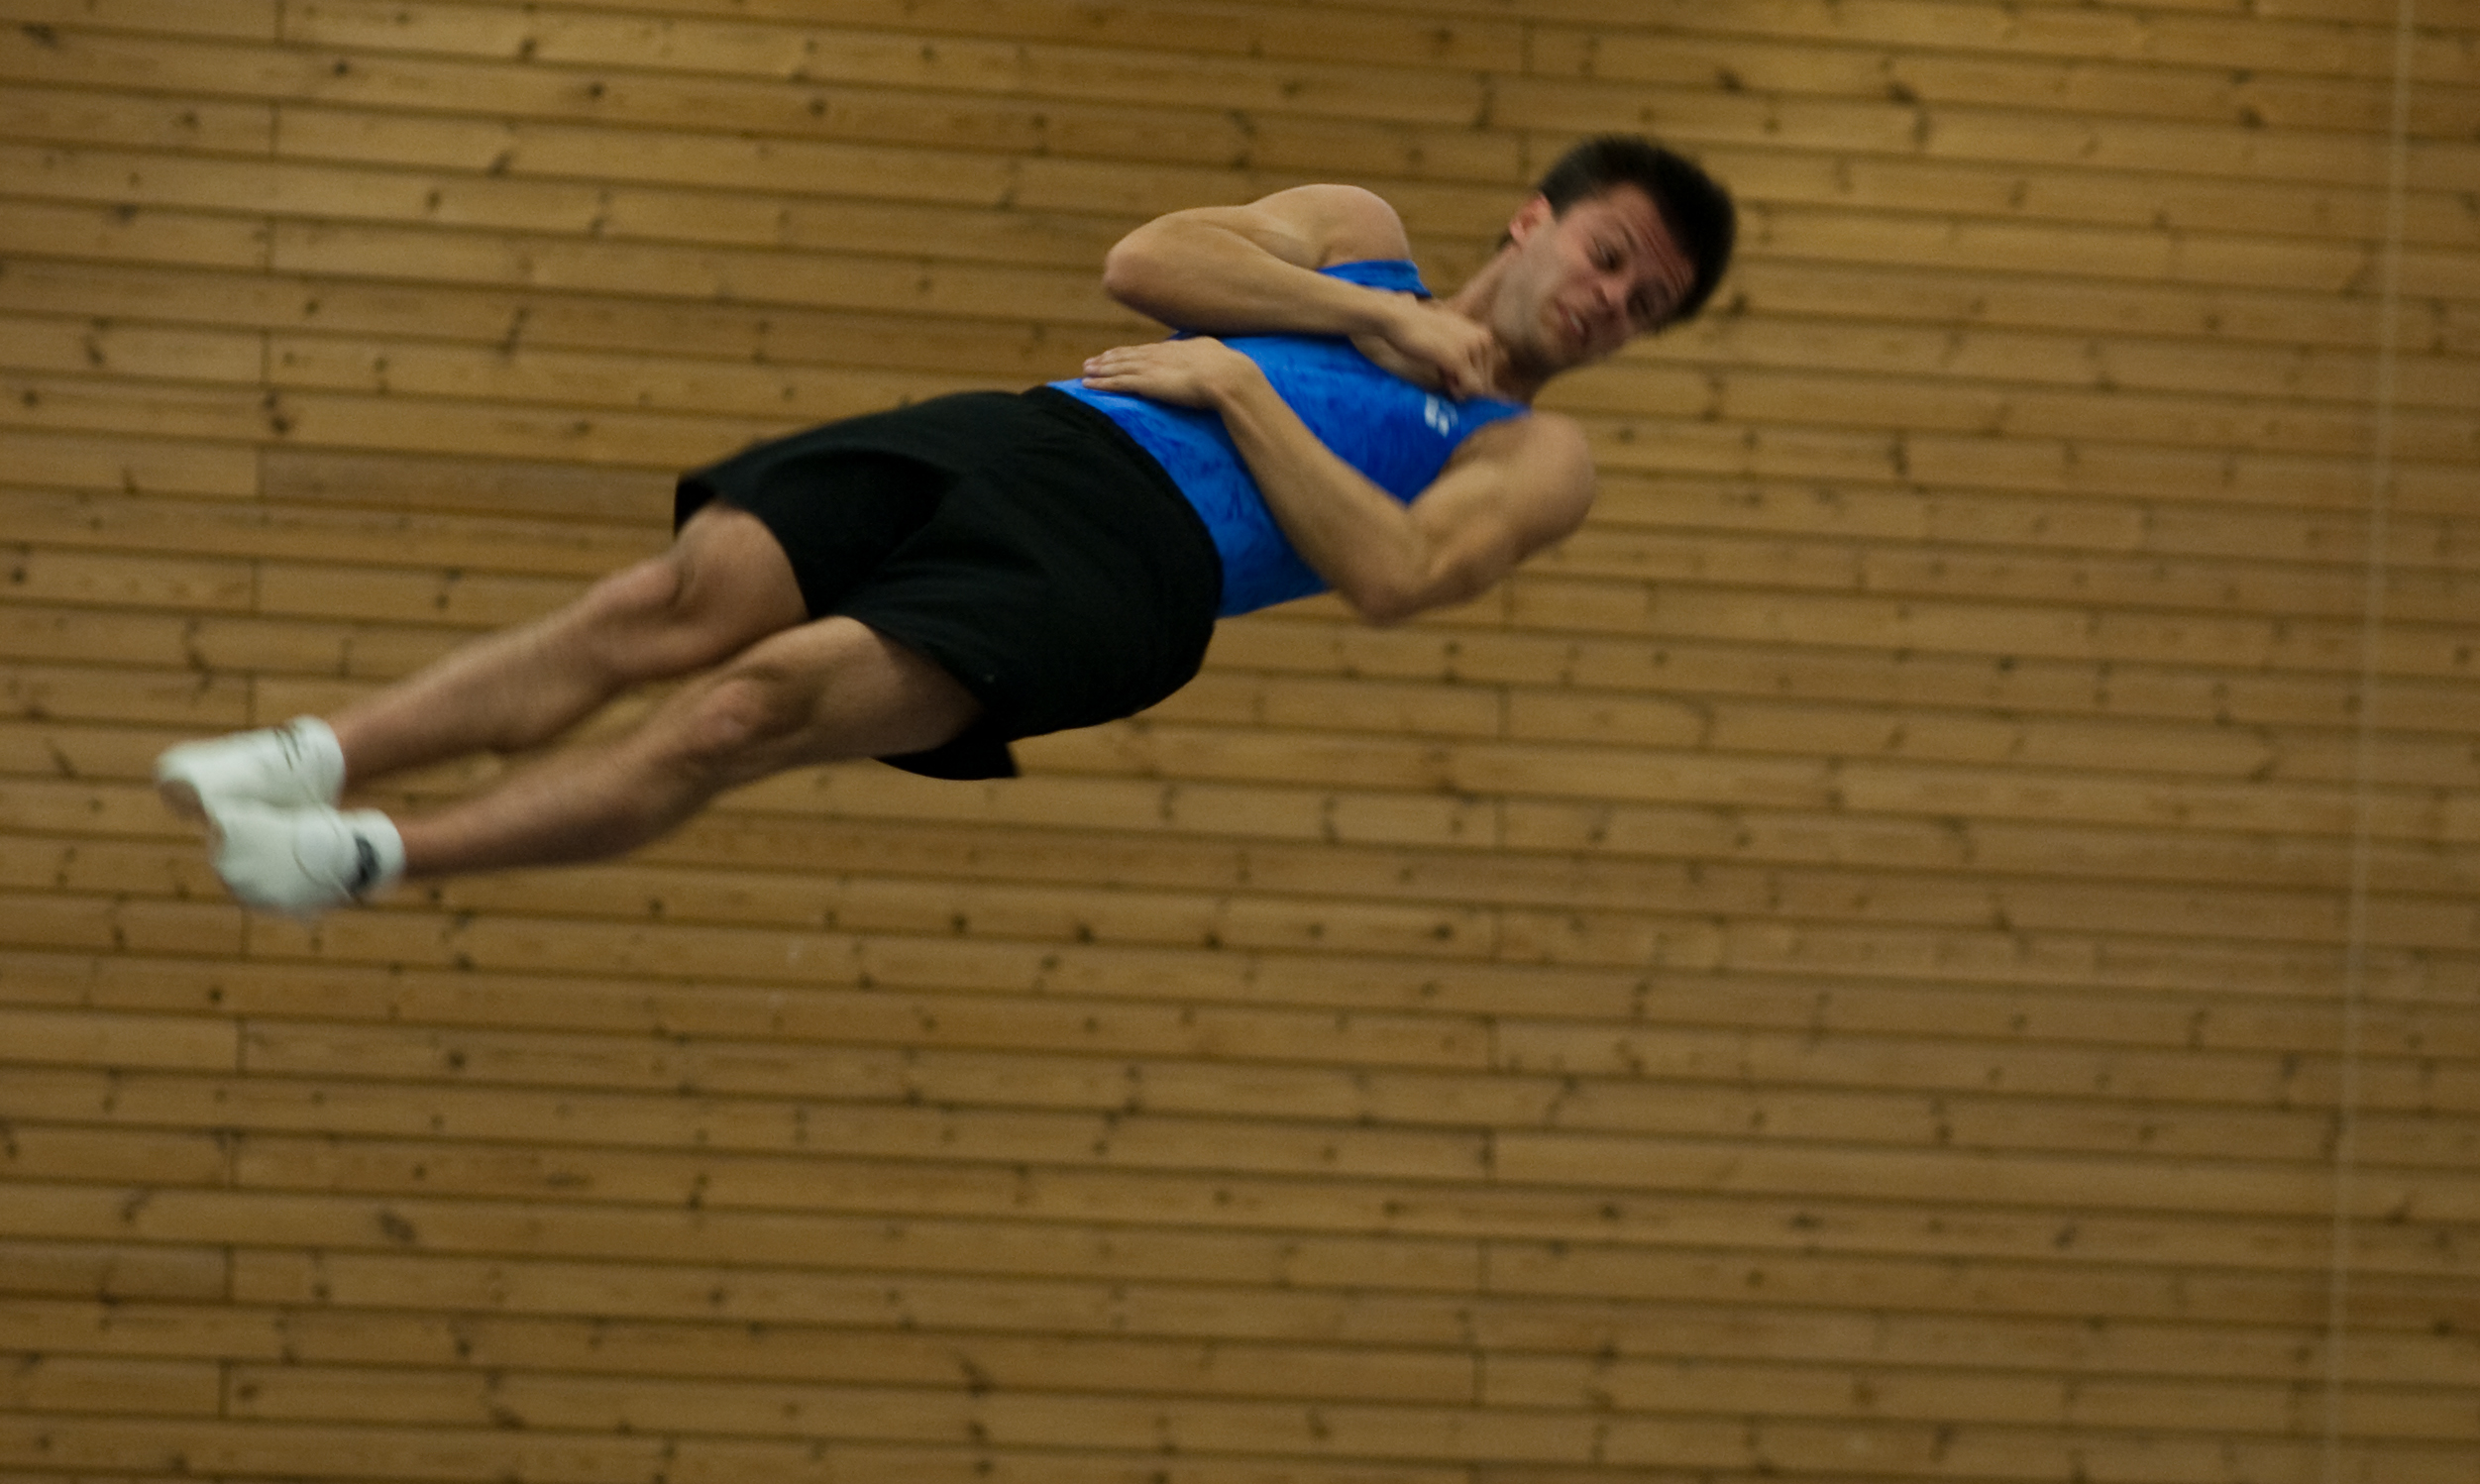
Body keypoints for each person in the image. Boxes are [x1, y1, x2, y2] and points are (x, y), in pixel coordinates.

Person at [156, 135, 1736, 916]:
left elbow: (1396, 574)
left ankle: (366, 858)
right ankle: (310, 754)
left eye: (1645, 305)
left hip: (1133, 574)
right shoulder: (1362, 242)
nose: (1613, 304)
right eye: (1609, 259)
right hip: (1031, 439)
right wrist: (1371, 323)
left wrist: (1243, 390)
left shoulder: (1535, 453)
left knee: (744, 710)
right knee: (670, 600)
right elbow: (1149, 263)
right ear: (1534, 220)